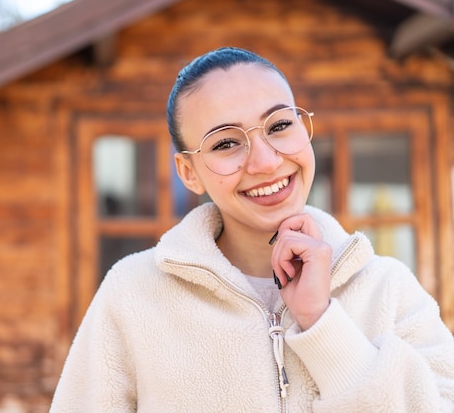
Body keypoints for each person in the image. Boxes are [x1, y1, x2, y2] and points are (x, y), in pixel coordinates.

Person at [50, 47, 454, 412]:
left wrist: (321, 322)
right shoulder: (133, 293)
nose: (265, 161)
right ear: (189, 173)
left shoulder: (388, 288)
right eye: (226, 144)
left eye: (279, 126)